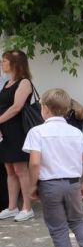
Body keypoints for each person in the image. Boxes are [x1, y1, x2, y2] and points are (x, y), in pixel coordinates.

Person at [23, 88, 83, 247]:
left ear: (45, 109)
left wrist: (33, 186)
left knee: (58, 229)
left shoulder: (37, 132)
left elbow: (34, 163)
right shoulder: (75, 132)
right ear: (67, 110)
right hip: (73, 184)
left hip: (50, 185)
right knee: (77, 220)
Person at [0, 50, 37, 222]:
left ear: (15, 63)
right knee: (10, 170)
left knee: (21, 170)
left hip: (17, 131)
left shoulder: (24, 83)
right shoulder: (7, 82)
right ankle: (12, 206)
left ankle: (27, 207)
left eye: (4, 61)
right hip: (5, 131)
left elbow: (16, 107)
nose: (2, 63)